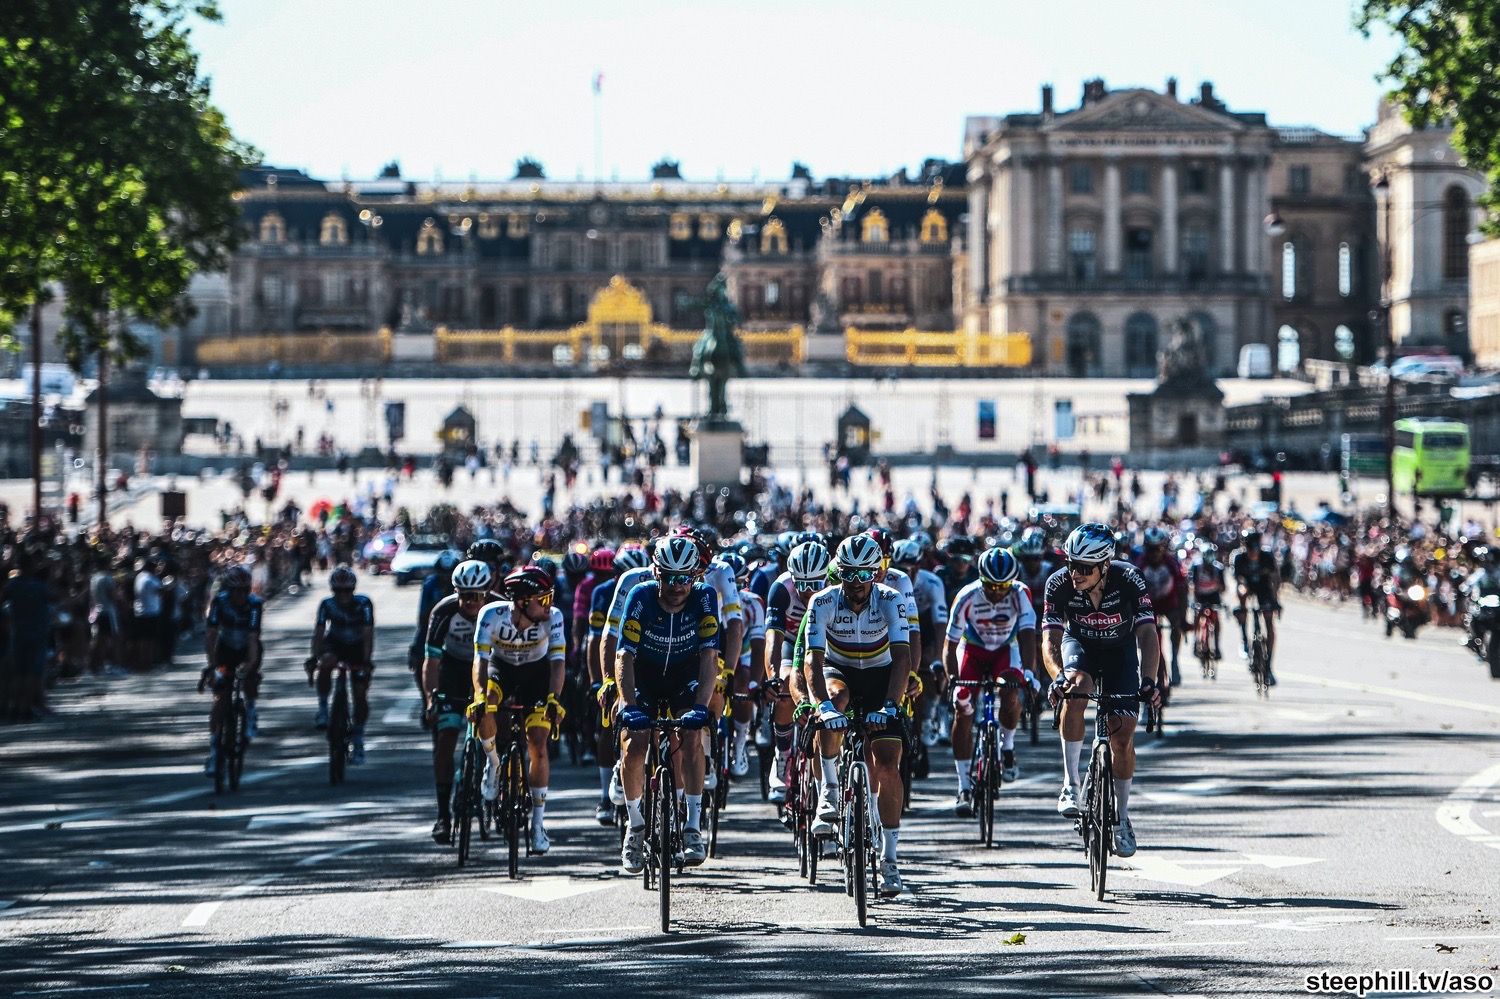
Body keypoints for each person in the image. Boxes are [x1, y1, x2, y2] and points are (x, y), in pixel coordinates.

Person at [1041, 523, 1161, 859]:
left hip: (1120, 654)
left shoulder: (1129, 579)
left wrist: (1149, 681)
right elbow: (1049, 640)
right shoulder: (1059, 583)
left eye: (1083, 567)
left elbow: (1149, 634)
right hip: (1079, 648)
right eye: (1070, 564)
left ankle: (1121, 818)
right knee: (1077, 689)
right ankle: (1070, 784)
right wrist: (1057, 676)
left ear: (1104, 566)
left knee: (1122, 737)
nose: (1074, 573)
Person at [803, 533, 912, 897]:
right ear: (839, 571)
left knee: (887, 764)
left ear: (876, 573)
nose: (855, 582)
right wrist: (821, 706)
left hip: (882, 677)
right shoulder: (822, 601)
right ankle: (830, 791)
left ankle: (890, 860)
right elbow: (812, 661)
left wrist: (892, 705)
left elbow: (902, 658)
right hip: (840, 672)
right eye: (848, 573)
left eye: (864, 574)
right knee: (835, 701)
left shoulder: (891, 600)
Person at [616, 536, 720, 872]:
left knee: (691, 737)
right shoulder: (640, 596)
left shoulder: (705, 597)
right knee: (634, 743)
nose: (676, 586)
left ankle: (691, 825)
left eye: (684, 578)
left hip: (683, 675)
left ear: (695, 576)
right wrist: (627, 702)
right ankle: (634, 826)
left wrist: (702, 706)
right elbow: (624, 655)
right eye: (669, 578)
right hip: (644, 674)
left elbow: (709, 655)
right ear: (656, 573)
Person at [472, 565, 566, 855]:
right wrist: (479, 696)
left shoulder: (554, 618)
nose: (550, 606)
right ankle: (494, 763)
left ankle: (538, 825)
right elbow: (480, 662)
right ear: (524, 602)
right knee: (484, 704)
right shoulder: (490, 615)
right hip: (501, 671)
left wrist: (554, 698)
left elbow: (558, 663)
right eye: (544, 599)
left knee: (538, 744)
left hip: (536, 675)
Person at [945, 547, 1037, 815]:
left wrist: (1029, 674)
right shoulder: (967, 596)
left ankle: (1006, 746)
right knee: (962, 707)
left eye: (1003, 586)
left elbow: (1029, 634)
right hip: (972, 651)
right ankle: (963, 785)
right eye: (991, 586)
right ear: (980, 579)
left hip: (1004, 650)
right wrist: (952, 679)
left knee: (1011, 692)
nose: (998, 592)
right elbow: (950, 645)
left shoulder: (1020, 594)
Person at [421, 560, 492, 843]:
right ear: (456, 592)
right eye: (465, 595)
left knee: (495, 729)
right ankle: (443, 815)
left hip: (488, 671)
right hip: (452, 672)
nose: (471, 602)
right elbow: (431, 662)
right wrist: (430, 699)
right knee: (446, 737)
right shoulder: (443, 612)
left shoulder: (498, 608)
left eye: (477, 595)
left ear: (487, 592)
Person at [763, 540, 831, 803]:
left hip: (826, 645)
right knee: (785, 688)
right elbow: (773, 639)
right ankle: (781, 758)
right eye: (801, 584)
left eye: (816, 584)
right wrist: (772, 676)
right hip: (792, 644)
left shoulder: (838, 585)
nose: (808, 591)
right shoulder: (781, 589)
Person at [587, 544, 650, 823]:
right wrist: (602, 681)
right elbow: (599, 639)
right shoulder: (604, 593)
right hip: (621, 655)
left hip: (649, 656)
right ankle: (611, 776)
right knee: (613, 714)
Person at [199, 565, 262, 773]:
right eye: (237, 590)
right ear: (229, 589)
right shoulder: (220, 601)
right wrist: (212, 666)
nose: (242, 595)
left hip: (246, 647)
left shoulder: (254, 604)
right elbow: (211, 635)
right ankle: (215, 749)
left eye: (245, 590)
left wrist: (250, 664)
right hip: (225, 648)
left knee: (250, 678)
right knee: (220, 698)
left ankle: (251, 710)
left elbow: (253, 638)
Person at [309, 565, 375, 764]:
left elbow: (368, 634)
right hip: (335, 643)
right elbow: (319, 633)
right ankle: (323, 708)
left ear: (353, 590)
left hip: (357, 646)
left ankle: (359, 738)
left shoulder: (364, 604)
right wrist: (314, 657)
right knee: (326, 662)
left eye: (347, 591)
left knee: (359, 693)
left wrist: (365, 661)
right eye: (338, 591)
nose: (343, 596)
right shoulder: (327, 605)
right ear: (333, 591)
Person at [410, 549, 461, 728]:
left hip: (457, 629)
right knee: (419, 655)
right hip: (435, 625)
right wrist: (442, 601)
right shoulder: (430, 584)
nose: (445, 580)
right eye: (442, 576)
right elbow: (423, 620)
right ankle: (427, 699)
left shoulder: (464, 586)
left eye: (449, 576)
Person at [1132, 525, 1187, 687]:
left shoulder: (1172, 563)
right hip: (1148, 604)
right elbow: (1131, 592)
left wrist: (1183, 618)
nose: (1155, 553)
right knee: (1144, 632)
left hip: (1168, 601)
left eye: (1159, 549)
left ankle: (1175, 660)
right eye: (1151, 549)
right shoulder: (1139, 563)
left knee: (1176, 623)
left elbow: (1182, 590)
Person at [1231, 528, 1281, 685]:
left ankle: (1269, 665)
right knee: (1242, 592)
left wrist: (1275, 601)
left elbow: (1275, 580)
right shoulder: (1239, 558)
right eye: (1249, 548)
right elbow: (1239, 581)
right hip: (1247, 586)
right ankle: (1245, 638)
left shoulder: (1267, 557)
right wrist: (1241, 606)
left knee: (1269, 622)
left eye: (1255, 548)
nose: (1253, 552)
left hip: (1264, 589)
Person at [1187, 540, 1226, 660]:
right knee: (1198, 615)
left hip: (1213, 594)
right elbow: (1192, 585)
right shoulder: (1196, 567)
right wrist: (1194, 602)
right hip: (1200, 594)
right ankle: (1196, 641)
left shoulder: (1218, 568)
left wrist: (1217, 580)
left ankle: (1217, 645)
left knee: (1216, 617)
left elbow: (1223, 589)